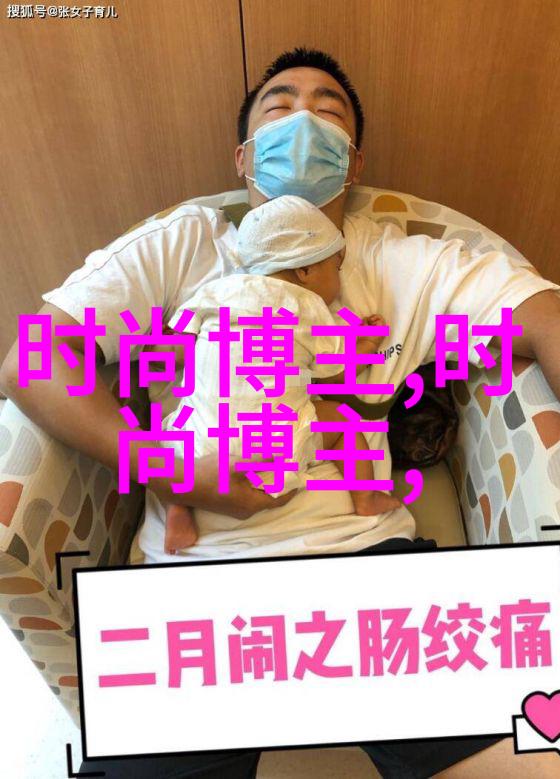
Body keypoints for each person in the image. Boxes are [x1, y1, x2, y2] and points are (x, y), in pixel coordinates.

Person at [1, 47, 560, 778]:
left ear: (352, 162)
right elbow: (32, 360)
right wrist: (164, 467)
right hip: (190, 594)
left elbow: (555, 326)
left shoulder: (406, 262)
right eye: (280, 108)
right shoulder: (184, 246)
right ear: (244, 156)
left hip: (372, 578)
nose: (304, 120)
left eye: (328, 111)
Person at [161, 194, 401, 556]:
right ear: (305, 271)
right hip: (276, 451)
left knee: (170, 432)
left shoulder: (216, 291)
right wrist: (364, 345)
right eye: (335, 268)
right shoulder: (310, 307)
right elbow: (336, 379)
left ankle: (179, 509)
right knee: (341, 422)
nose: (338, 281)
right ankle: (366, 497)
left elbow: (177, 346)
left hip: (203, 454)